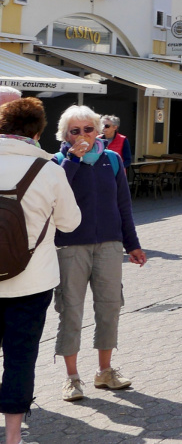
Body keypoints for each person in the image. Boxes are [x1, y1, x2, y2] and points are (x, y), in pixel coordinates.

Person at [51, 105, 145, 403]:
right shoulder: (56, 162)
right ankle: (71, 378)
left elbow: (123, 206)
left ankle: (105, 371)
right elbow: (56, 195)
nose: (82, 135)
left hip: (109, 245)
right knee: (71, 310)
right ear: (65, 135)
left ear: (99, 130)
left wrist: (132, 244)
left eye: (88, 129)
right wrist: (73, 160)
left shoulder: (112, 160)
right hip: (70, 246)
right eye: (74, 131)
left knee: (110, 306)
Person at [0, 98, 81, 440]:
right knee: (20, 358)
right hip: (31, 283)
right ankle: (15, 435)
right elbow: (71, 222)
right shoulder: (49, 170)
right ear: (37, 132)